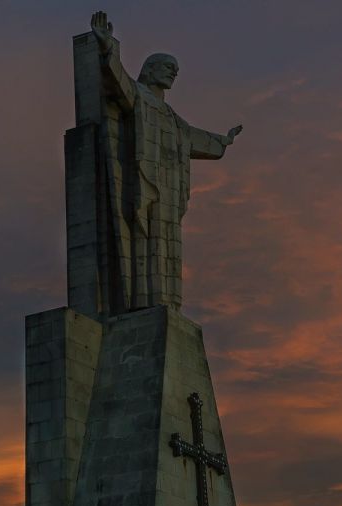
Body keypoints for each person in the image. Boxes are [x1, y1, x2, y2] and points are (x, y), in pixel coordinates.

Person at [90, 11, 242, 310]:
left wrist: (223, 140)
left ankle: (167, 302)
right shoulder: (140, 97)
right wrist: (108, 49)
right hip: (146, 187)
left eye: (176, 69)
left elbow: (196, 137)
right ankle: (145, 301)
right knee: (146, 239)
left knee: (169, 243)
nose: (173, 73)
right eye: (168, 67)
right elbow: (117, 83)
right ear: (149, 69)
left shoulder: (173, 119)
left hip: (169, 192)